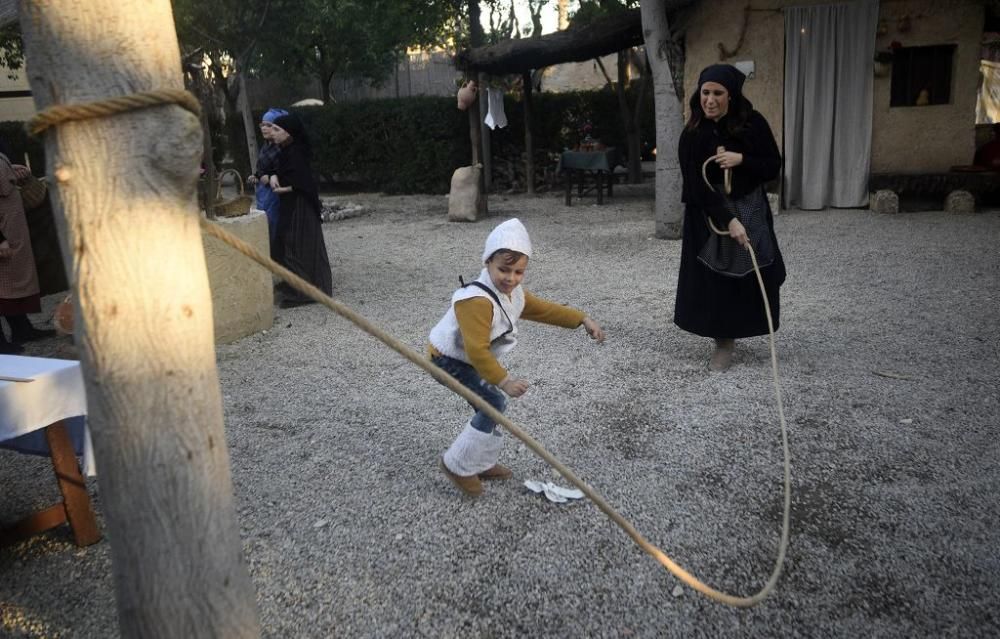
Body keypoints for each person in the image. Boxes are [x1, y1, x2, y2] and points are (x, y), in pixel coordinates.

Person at [429, 218, 605, 497]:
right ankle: (457, 464)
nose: (511, 278)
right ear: (487, 262)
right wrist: (505, 380)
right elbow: (477, 351)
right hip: (447, 359)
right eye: (503, 269)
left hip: (468, 359)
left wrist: (582, 318)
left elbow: (543, 309)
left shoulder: (512, 293)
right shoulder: (476, 300)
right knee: (493, 402)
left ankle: (480, 462)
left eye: (518, 271)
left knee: (487, 407)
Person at [674, 64, 785, 372]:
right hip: (709, 215)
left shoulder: (753, 124)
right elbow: (695, 186)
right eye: (705, 93)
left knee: (755, 272)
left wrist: (742, 160)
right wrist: (727, 220)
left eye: (717, 93)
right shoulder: (693, 134)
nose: (709, 100)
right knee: (715, 279)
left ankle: (745, 326)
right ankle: (723, 342)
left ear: (731, 96)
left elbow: (772, 165)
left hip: (750, 209)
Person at [268, 113, 333, 308]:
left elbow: (305, 183)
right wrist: (273, 176)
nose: (273, 133)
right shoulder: (286, 150)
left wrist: (283, 188)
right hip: (292, 205)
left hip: (300, 208)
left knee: (297, 245)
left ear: (290, 133)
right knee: (286, 244)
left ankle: (307, 290)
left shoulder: (297, 153)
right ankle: (296, 285)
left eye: (277, 129)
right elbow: (280, 171)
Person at [0, 144, 56, 353]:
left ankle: (21, 328)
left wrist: (13, 170)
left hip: (11, 226)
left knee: (10, 282)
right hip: (3, 230)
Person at [248, 107, 288, 254]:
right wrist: (257, 176)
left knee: (275, 229)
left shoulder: (281, 147)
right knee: (264, 227)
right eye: (262, 124)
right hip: (263, 195)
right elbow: (262, 168)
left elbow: (283, 171)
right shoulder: (266, 146)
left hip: (276, 196)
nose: (264, 128)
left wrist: (270, 177)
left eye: (268, 125)